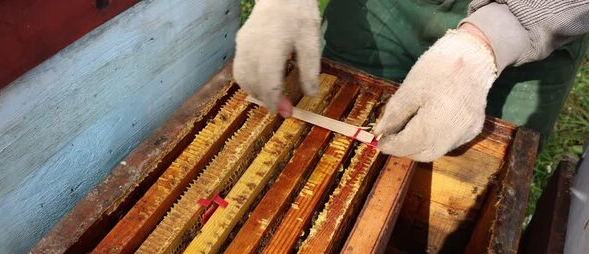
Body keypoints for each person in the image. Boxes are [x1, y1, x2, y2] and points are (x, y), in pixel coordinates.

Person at [233, 0, 589, 162]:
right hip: (379, 9)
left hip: (539, 19)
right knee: (322, 152)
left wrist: (492, 40)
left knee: (478, 172)